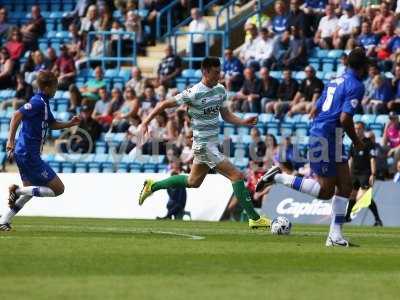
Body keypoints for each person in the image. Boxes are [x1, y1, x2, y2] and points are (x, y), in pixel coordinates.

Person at [138, 57, 270, 229]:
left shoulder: (220, 90)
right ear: (205, 72)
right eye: (215, 72)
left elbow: (226, 115)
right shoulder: (193, 93)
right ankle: (255, 219)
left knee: (193, 182)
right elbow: (164, 104)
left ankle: (153, 186)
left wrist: (244, 121)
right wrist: (146, 122)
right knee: (236, 176)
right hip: (203, 145)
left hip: (212, 143)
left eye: (220, 71)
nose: (219, 75)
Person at [257, 48, 370, 247]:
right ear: (362, 67)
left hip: (328, 134)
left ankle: (334, 236)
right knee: (326, 191)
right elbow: (345, 118)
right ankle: (277, 177)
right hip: (327, 136)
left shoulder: (335, 80)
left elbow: (315, 108)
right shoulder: (356, 85)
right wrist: (356, 140)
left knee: (345, 185)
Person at [0, 71, 81, 231]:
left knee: (31, 191)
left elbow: (51, 123)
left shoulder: (44, 103)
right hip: (28, 153)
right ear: (47, 87)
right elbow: (16, 115)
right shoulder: (37, 102)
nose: (56, 90)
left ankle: (4, 220)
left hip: (27, 153)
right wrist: (10, 142)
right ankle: (17, 190)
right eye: (55, 87)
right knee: (58, 189)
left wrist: (69, 124)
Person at [344, 121, 383, 226]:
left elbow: (372, 160)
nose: (356, 130)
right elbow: (350, 159)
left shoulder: (368, 143)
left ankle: (377, 219)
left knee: (365, 197)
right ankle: (347, 216)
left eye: (359, 128)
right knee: (352, 195)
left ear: (363, 129)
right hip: (354, 173)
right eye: (355, 128)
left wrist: (373, 174)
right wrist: (347, 173)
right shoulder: (353, 143)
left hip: (365, 173)